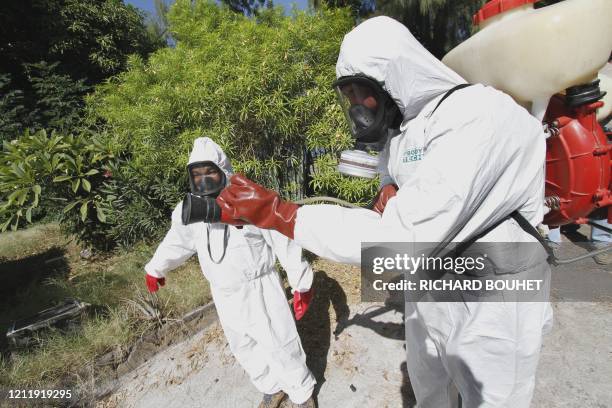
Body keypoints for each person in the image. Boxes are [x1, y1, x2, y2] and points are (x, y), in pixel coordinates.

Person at [217, 16, 553, 408]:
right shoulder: (406, 130)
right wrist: (388, 187)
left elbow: (396, 242)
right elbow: (395, 173)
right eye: (350, 96)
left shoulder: (480, 115)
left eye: (363, 93)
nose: (357, 107)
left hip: (496, 296)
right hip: (433, 280)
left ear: (396, 76)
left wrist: (280, 214)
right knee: (431, 388)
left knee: (492, 398)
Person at [144, 137, 316, 408]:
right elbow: (177, 240)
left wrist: (300, 282)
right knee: (243, 345)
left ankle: (302, 393)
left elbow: (282, 237)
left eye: (209, 171)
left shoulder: (248, 199)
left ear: (222, 170)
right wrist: (156, 267)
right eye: (196, 173)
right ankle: (271, 387)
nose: (203, 179)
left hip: (259, 287)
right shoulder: (189, 209)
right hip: (223, 292)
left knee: (278, 341)